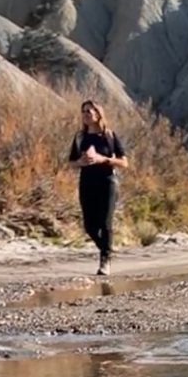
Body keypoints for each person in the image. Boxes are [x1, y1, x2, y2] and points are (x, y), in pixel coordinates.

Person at [67, 100, 127, 277]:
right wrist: (80, 162)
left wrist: (103, 159)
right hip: (87, 182)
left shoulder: (109, 136)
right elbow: (71, 162)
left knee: (105, 223)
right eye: (83, 111)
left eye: (90, 111)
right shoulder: (79, 138)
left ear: (98, 114)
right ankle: (107, 249)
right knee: (89, 226)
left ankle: (105, 261)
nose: (86, 114)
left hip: (107, 182)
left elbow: (124, 162)